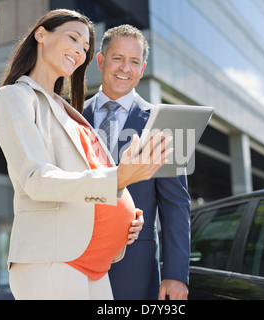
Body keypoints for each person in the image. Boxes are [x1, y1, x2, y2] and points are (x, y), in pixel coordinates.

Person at [0, 9, 172, 300]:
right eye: (73, 38)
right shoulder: (16, 97)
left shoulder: (69, 110)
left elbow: (86, 179)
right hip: (52, 259)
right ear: (40, 34)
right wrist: (117, 179)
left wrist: (125, 214)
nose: (78, 50)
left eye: (85, 47)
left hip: (92, 263)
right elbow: (37, 179)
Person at [83, 24, 191, 300]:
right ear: (100, 61)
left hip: (135, 269)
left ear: (142, 69)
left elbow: (175, 205)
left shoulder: (166, 125)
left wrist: (176, 275)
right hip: (75, 262)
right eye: (117, 58)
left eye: (134, 62)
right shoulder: (73, 117)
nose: (125, 68)